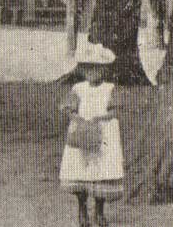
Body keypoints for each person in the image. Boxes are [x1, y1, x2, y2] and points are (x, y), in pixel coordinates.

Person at [60, 41, 124, 227]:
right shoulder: (78, 89)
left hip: (103, 132)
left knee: (100, 172)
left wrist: (101, 117)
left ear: (104, 71)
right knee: (81, 171)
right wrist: (77, 118)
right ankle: (82, 209)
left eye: (97, 69)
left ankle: (99, 211)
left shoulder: (109, 88)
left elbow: (115, 110)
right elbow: (69, 108)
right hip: (83, 131)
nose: (93, 73)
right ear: (83, 70)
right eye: (89, 69)